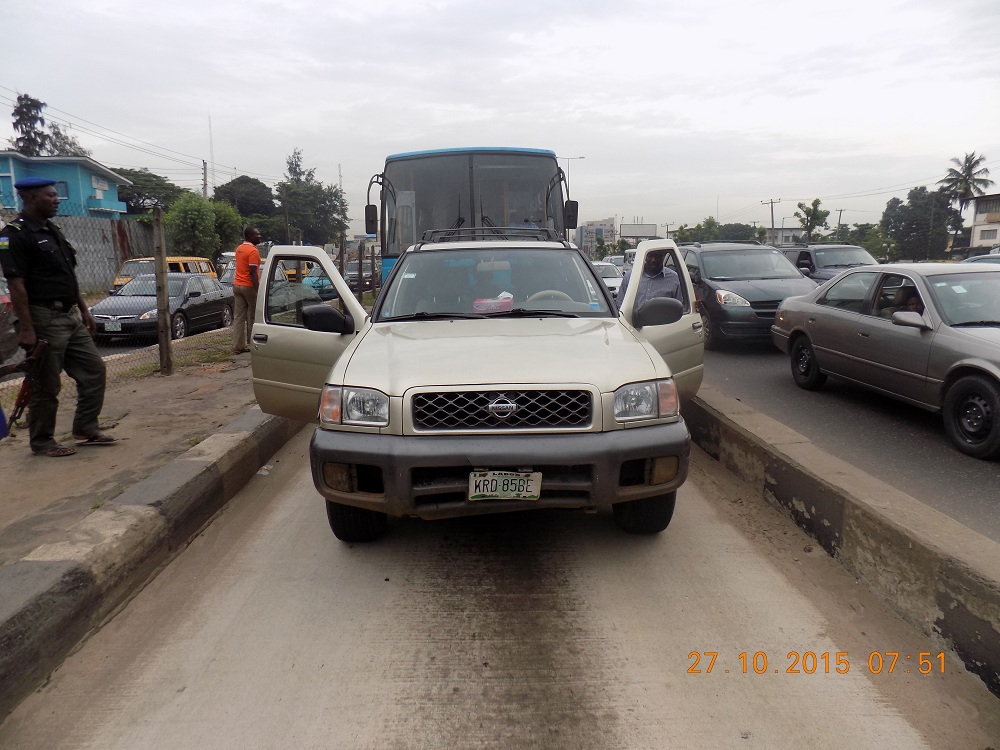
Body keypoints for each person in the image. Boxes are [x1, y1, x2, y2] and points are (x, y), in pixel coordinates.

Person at [0, 177, 113, 457]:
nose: (56, 199)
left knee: (94, 369)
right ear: (31, 198)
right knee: (46, 383)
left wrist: (84, 310)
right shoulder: (12, 235)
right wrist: (26, 328)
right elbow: (16, 285)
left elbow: (68, 275)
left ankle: (86, 428)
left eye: (56, 195)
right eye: (50, 195)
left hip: (69, 314)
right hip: (42, 317)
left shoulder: (54, 231)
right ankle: (41, 441)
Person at [616, 247, 682, 309]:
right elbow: (620, 303)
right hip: (633, 320)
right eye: (650, 256)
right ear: (644, 256)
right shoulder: (630, 277)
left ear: (664, 256)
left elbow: (680, 306)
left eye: (657, 256)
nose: (653, 260)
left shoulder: (673, 278)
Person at [231, 226, 261, 354]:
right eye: (257, 234)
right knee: (252, 316)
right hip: (249, 286)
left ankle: (238, 346)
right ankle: (253, 343)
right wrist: (257, 289)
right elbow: (252, 271)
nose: (259, 236)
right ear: (249, 236)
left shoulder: (239, 249)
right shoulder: (253, 251)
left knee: (238, 317)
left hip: (237, 285)